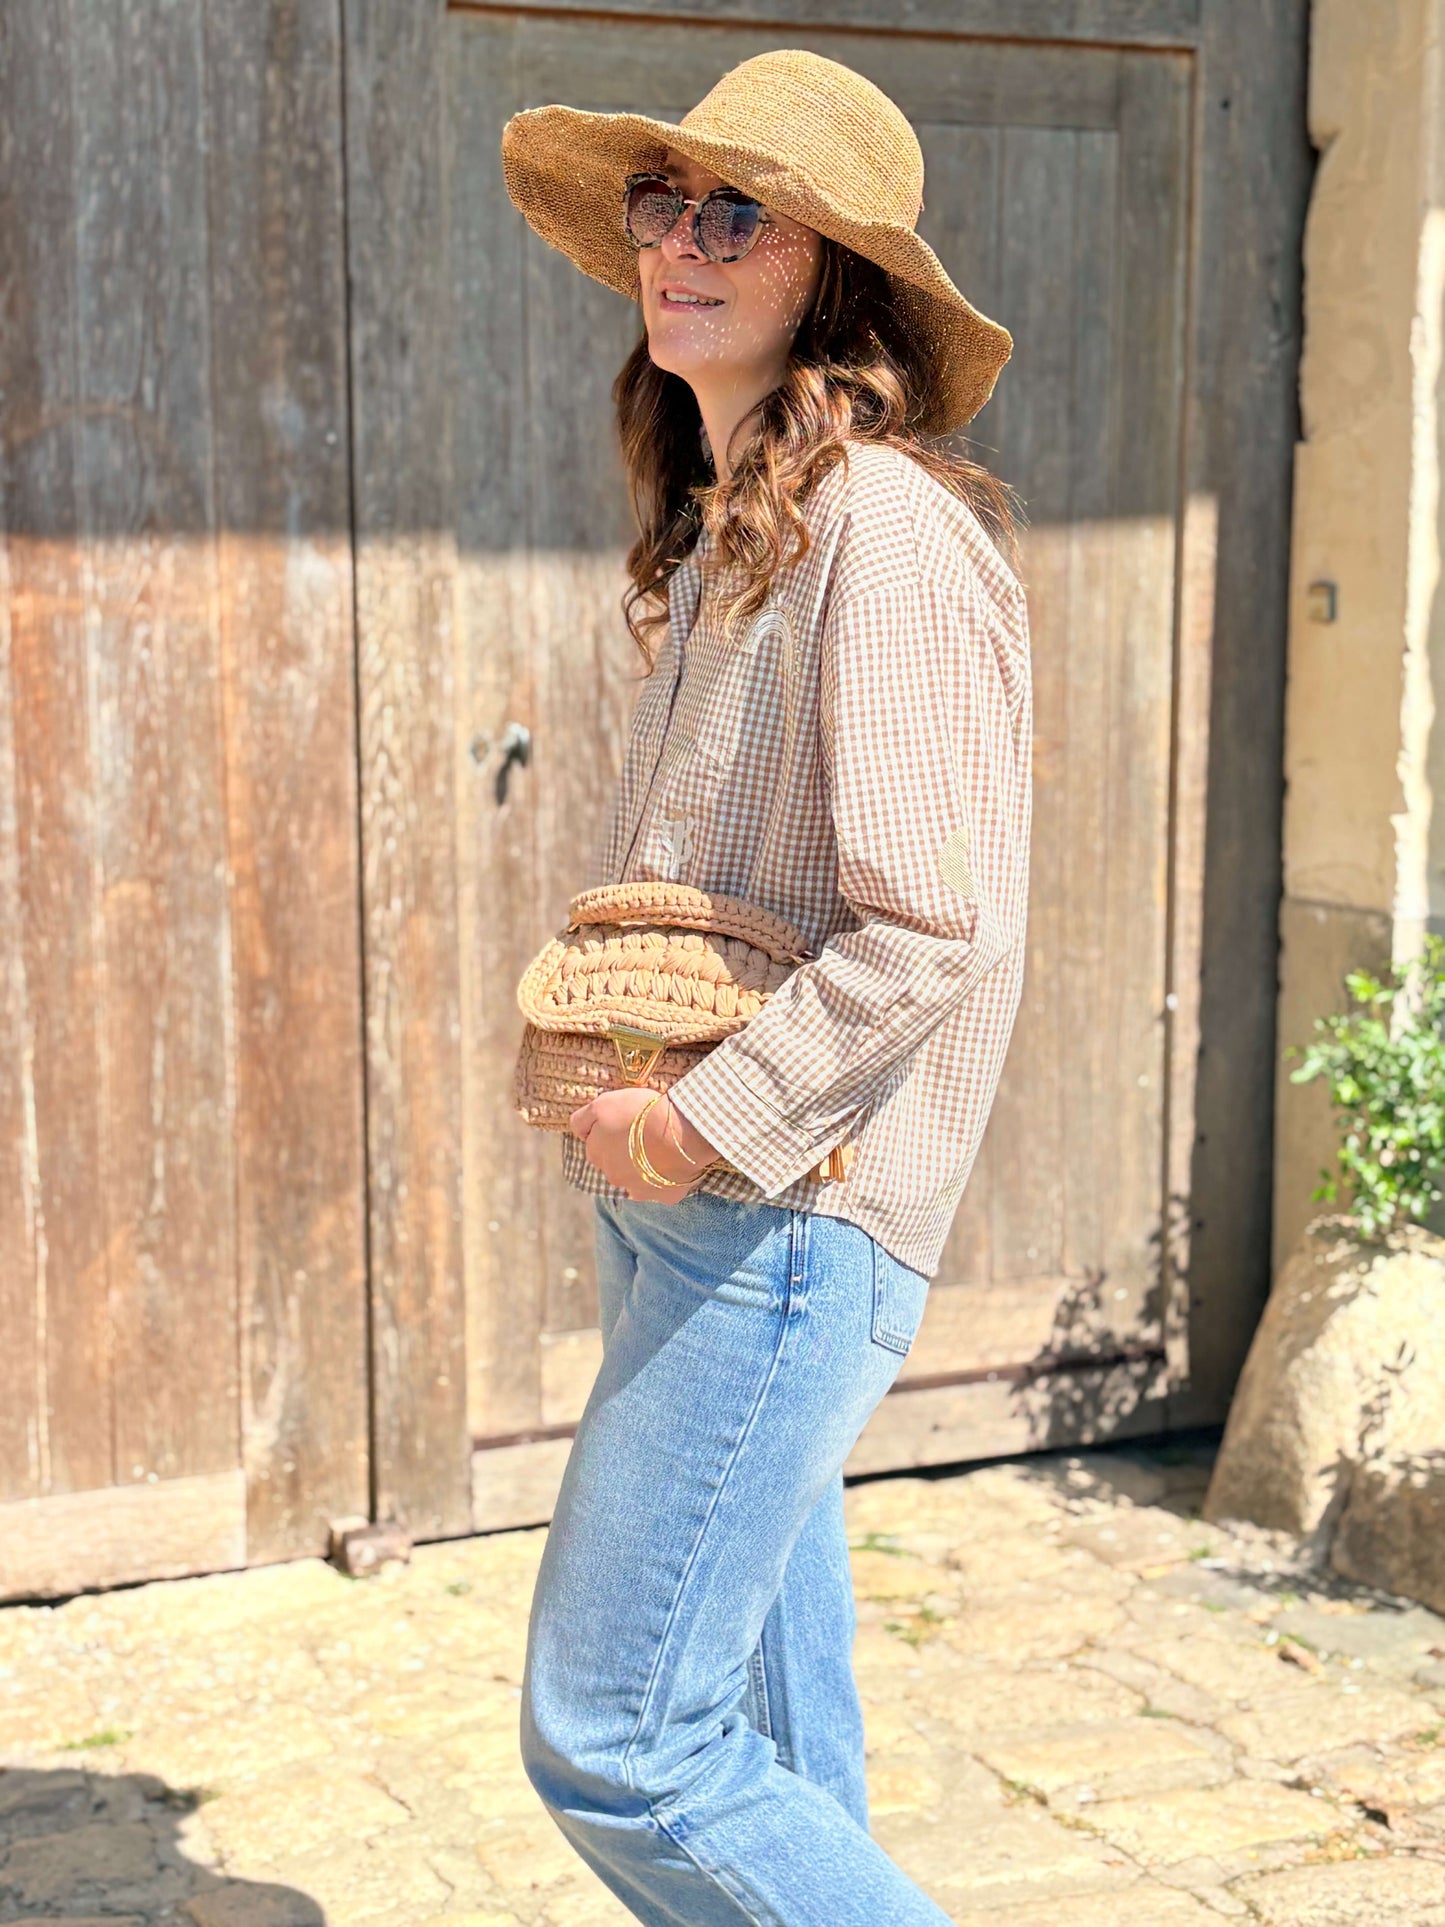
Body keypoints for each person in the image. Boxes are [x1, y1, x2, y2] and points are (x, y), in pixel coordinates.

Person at [500, 47, 1032, 1924]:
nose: (683, 243)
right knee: (776, 1755)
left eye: (741, 213)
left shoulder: (880, 530)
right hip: (702, 1208)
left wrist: (692, 1116)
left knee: (622, 1735)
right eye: (665, 202)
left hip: (779, 1207)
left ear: (832, 274)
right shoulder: (745, 531)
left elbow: (930, 926)